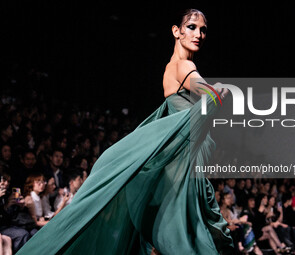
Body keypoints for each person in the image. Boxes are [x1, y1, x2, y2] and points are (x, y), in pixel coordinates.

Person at [16, 8, 232, 255]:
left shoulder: (170, 68)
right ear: (176, 31)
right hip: (184, 170)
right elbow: (209, 93)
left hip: (183, 168)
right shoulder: (183, 65)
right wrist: (219, 91)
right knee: (198, 234)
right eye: (192, 26)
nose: (199, 34)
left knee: (188, 232)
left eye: (203, 30)